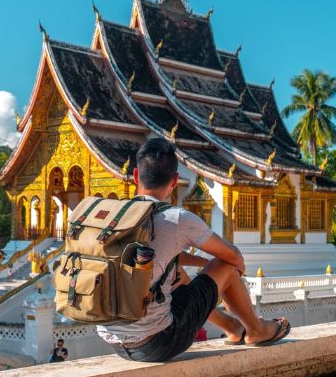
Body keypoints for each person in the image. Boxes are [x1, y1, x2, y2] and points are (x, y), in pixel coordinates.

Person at [97, 138, 290, 362]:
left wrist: (202, 265)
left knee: (174, 270)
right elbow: (233, 256)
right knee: (225, 266)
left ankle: (232, 326)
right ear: (175, 180)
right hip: (158, 342)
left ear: (137, 175)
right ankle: (257, 330)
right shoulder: (176, 218)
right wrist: (230, 272)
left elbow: (163, 254)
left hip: (113, 340)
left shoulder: (114, 217)